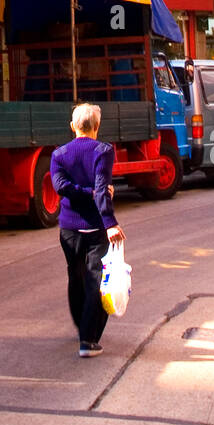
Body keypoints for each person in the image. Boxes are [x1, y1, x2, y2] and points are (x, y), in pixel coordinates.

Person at [50, 102, 125, 358]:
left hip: (68, 228)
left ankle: (82, 327)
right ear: (97, 126)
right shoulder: (103, 150)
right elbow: (102, 189)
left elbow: (61, 187)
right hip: (96, 227)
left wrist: (87, 192)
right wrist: (110, 223)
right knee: (97, 280)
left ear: (73, 127)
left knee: (76, 276)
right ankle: (88, 340)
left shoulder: (59, 154)